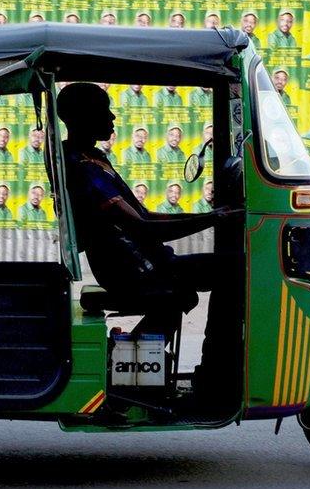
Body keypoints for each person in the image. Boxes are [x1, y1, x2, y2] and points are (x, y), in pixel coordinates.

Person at [59, 83, 235, 342]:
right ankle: (219, 361)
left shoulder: (93, 157)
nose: (112, 117)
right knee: (236, 269)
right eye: (104, 110)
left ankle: (137, 356)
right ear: (84, 116)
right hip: (134, 271)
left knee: (225, 270)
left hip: (145, 263)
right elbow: (142, 227)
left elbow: (145, 215)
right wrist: (214, 218)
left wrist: (214, 215)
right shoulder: (83, 167)